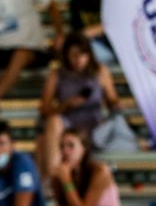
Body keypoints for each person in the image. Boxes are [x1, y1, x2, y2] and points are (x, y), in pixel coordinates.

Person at [36, 32, 119, 179]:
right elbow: (44, 109)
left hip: (93, 123)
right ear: (66, 55)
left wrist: (116, 105)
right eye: (73, 55)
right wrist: (66, 105)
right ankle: (54, 175)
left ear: (89, 55)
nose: (78, 59)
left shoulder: (100, 72)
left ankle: (56, 179)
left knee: (43, 143)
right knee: (53, 123)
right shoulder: (56, 75)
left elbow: (112, 100)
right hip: (67, 123)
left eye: (82, 54)